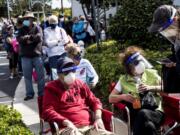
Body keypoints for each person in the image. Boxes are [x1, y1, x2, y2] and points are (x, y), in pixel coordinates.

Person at [42, 57, 114, 135]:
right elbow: (48, 111)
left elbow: (95, 101)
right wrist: (66, 122)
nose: (70, 74)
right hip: (68, 129)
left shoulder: (80, 84)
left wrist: (98, 118)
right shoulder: (51, 88)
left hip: (89, 127)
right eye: (66, 72)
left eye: (73, 70)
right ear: (59, 74)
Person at [109, 46, 164, 135]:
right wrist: (124, 97)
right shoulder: (123, 80)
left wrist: (151, 88)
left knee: (143, 114)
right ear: (129, 66)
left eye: (141, 60)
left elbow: (166, 87)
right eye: (136, 62)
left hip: (155, 112)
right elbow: (111, 98)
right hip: (135, 114)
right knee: (149, 126)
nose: (141, 64)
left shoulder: (151, 73)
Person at [148, 5, 180, 93]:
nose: (167, 32)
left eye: (166, 28)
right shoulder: (176, 41)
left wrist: (174, 65)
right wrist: (171, 62)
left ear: (175, 20)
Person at [17, 11, 45, 101]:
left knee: (40, 76)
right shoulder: (21, 29)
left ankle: (41, 93)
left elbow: (39, 37)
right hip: (25, 57)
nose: (26, 20)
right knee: (27, 77)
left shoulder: (38, 28)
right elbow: (19, 39)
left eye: (28, 19)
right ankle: (29, 94)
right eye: (25, 19)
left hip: (37, 56)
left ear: (32, 19)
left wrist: (29, 38)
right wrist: (29, 39)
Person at [44, 15, 69, 80]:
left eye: (54, 22)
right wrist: (58, 41)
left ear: (57, 22)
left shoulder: (61, 30)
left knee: (64, 71)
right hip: (52, 55)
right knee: (54, 73)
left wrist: (54, 43)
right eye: (51, 23)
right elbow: (48, 44)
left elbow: (66, 40)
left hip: (62, 53)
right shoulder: (46, 30)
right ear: (49, 23)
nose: (53, 24)